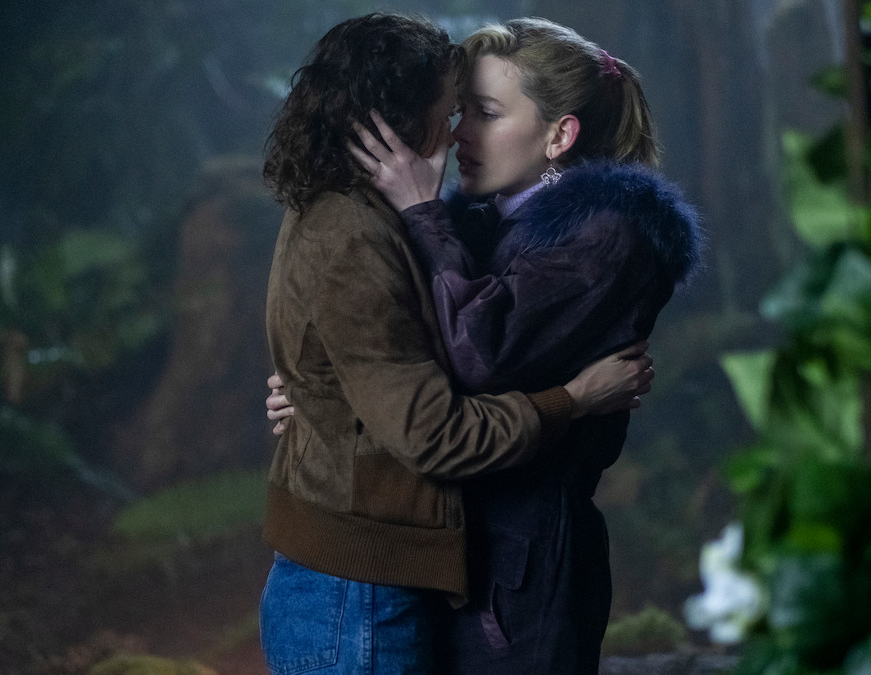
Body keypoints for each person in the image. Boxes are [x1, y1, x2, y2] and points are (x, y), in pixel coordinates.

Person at [259, 13, 656, 675]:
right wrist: (329, 389)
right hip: (427, 562)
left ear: (559, 134)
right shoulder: (434, 221)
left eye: (485, 113)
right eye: (458, 110)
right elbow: (416, 373)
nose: (460, 133)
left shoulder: (601, 236)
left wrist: (346, 388)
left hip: (521, 568)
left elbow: (476, 355)